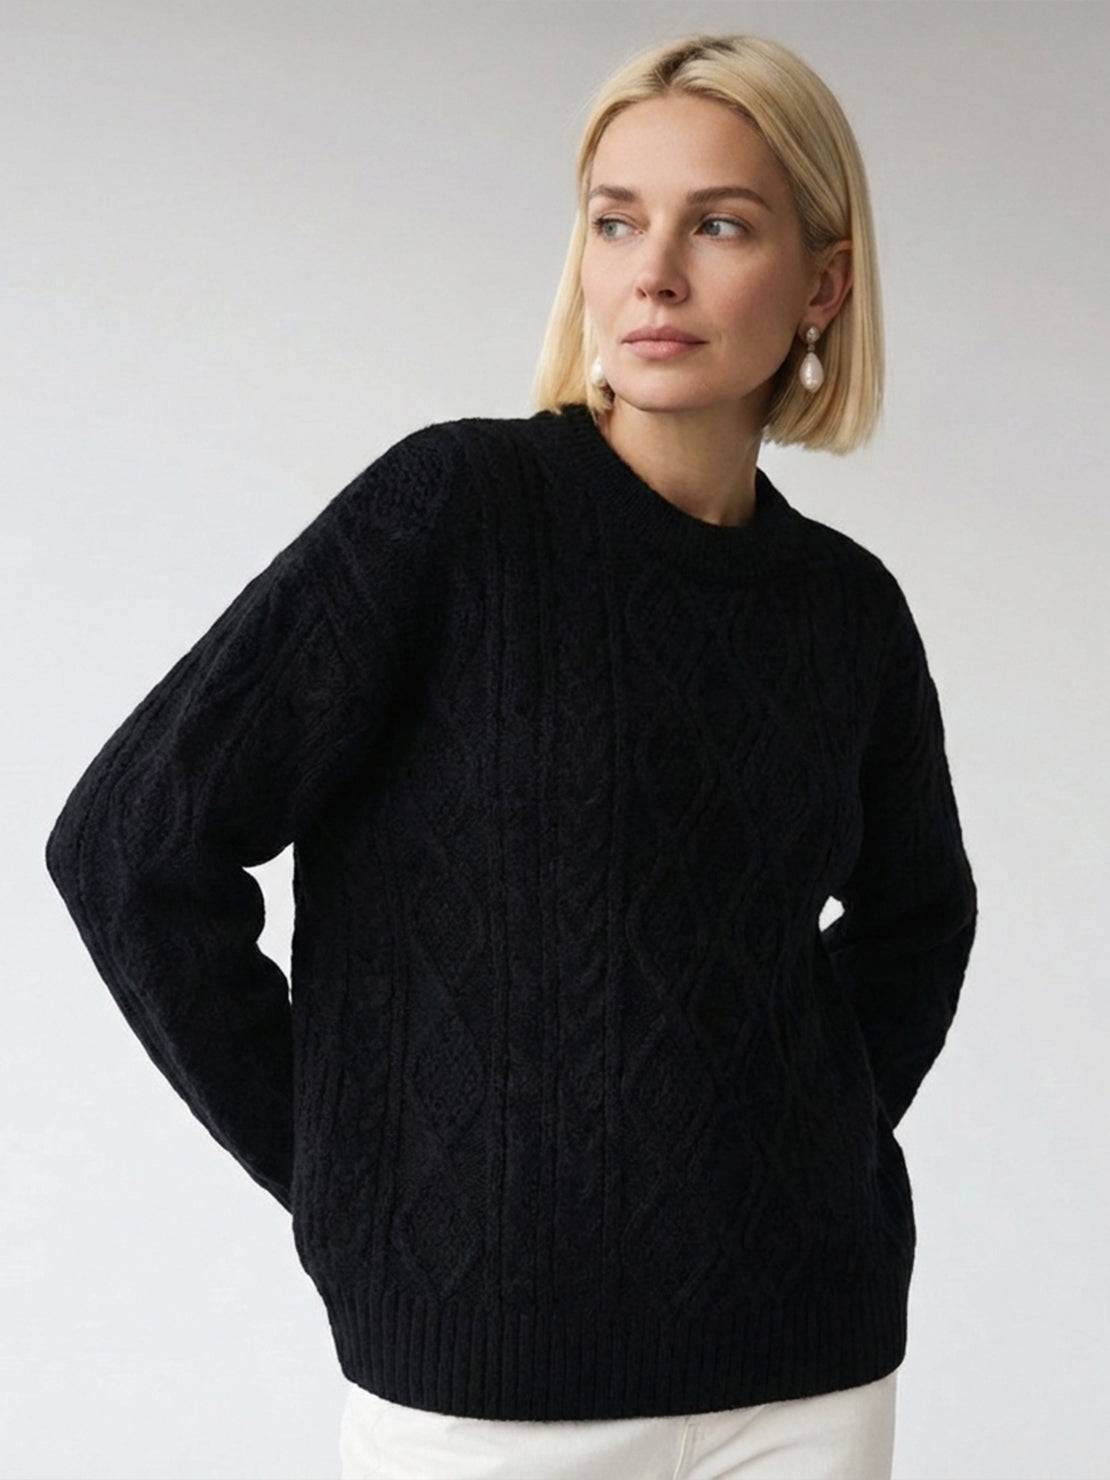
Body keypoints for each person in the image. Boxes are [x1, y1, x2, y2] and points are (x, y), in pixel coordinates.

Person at [44, 29, 977, 1480]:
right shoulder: (454, 513)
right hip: (484, 1386)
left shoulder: (844, 608)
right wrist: (355, 1178)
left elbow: (920, 913)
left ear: (823, 284)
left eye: (720, 225)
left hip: (806, 1368)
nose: (652, 273)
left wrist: (796, 1145)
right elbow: (128, 846)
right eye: (616, 220)